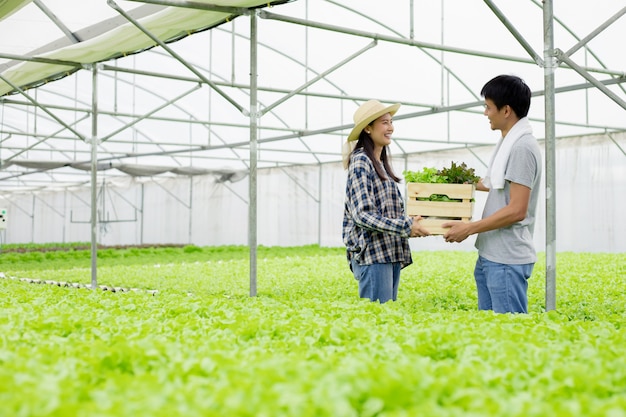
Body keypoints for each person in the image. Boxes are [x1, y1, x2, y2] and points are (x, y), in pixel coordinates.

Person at [442, 74, 542, 314]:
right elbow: (497, 184)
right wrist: (457, 181)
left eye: (488, 107)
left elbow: (517, 209)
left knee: (509, 337)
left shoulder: (521, 148)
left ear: (506, 110)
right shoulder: (509, 142)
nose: (485, 113)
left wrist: (469, 228)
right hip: (492, 255)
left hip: (507, 260)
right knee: (492, 335)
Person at [342, 99, 430, 303]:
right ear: (367, 128)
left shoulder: (380, 164)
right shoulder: (361, 161)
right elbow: (362, 215)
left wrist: (413, 222)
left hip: (389, 252)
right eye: (384, 122)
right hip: (373, 255)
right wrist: (407, 226)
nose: (391, 127)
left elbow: (388, 213)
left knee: (386, 320)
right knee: (377, 322)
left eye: (391, 122)